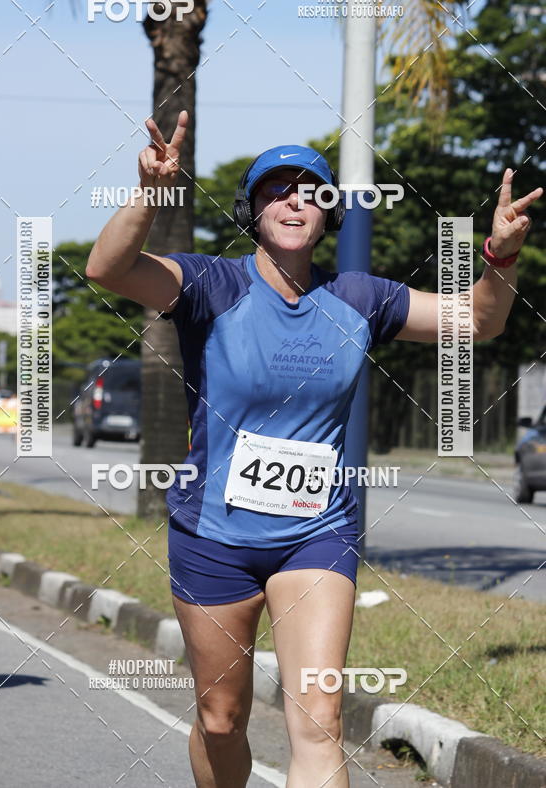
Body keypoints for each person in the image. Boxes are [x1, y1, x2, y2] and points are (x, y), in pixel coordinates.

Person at [86, 111, 542, 787]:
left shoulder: (358, 296)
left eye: (312, 192)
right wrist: (151, 192)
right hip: (214, 535)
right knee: (221, 718)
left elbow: (477, 320)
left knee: (320, 717)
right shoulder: (212, 286)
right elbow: (108, 268)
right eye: (277, 191)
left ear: (329, 214)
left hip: (316, 532)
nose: (295, 201)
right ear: (254, 211)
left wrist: (500, 256)